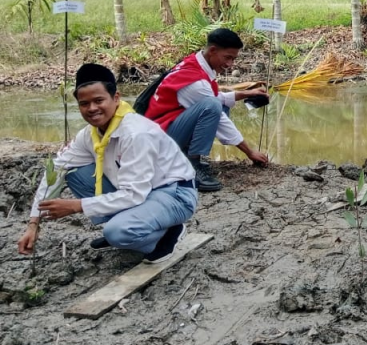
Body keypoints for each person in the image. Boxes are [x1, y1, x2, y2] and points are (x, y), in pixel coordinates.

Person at [16, 64, 198, 264]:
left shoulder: (136, 133)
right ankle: (132, 224)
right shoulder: (89, 135)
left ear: (116, 98)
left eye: (99, 100)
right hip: (142, 192)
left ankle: (168, 232)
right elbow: (57, 169)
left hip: (173, 194)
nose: (92, 108)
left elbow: (134, 194)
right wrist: (34, 223)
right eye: (84, 103)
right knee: (74, 173)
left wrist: (77, 206)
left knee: (117, 233)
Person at [144, 28, 269, 192]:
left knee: (218, 104)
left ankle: (186, 155)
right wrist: (249, 152)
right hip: (159, 141)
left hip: (165, 129)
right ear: (212, 51)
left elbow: (215, 97)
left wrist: (247, 93)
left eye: (233, 59)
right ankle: (192, 165)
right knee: (213, 106)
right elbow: (217, 114)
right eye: (227, 57)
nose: (230, 64)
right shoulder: (196, 82)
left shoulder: (195, 64)